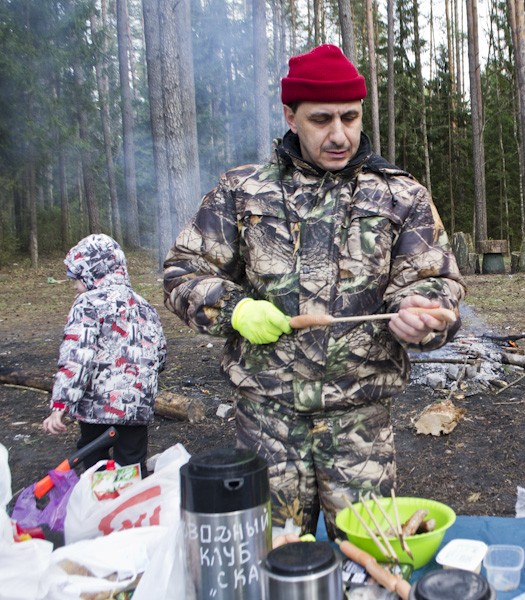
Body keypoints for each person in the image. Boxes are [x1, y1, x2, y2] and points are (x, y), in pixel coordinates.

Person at [163, 44, 465, 538]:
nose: (340, 134)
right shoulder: (244, 191)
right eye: (322, 119)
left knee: (371, 565)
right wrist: (235, 309)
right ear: (291, 115)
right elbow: (183, 272)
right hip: (266, 425)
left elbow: (436, 283)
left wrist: (421, 316)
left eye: (350, 116)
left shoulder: (401, 194)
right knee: (267, 564)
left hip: (360, 429)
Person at [43, 234, 167, 475]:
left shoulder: (87, 303)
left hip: (97, 407)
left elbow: (78, 356)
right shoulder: (144, 305)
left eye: (76, 279)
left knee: (94, 460)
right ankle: (130, 508)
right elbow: (160, 354)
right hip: (136, 407)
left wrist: (61, 403)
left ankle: (99, 507)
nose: (74, 287)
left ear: (92, 272)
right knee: (131, 464)